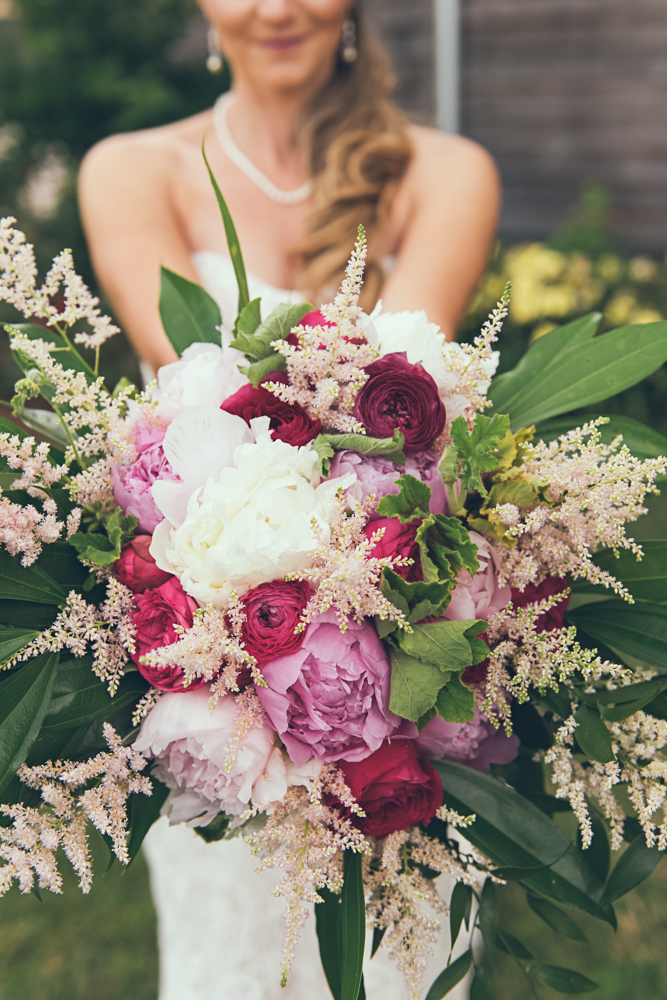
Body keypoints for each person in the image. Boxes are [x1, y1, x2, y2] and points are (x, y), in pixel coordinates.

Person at [78, 2, 498, 997]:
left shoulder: (445, 175)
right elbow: (194, 391)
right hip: (215, 662)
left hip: (392, 662)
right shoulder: (133, 171)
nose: (273, 7)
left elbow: (401, 410)